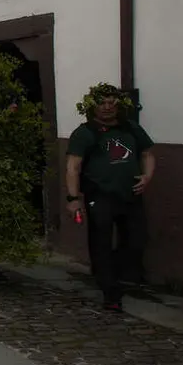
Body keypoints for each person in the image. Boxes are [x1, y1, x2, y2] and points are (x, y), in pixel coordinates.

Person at [65, 83, 155, 312]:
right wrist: (72, 198)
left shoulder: (131, 129)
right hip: (100, 196)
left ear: (119, 106)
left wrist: (147, 176)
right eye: (102, 103)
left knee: (137, 240)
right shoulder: (85, 133)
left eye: (111, 103)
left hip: (130, 195)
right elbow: (73, 166)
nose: (107, 107)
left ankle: (112, 272)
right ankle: (110, 291)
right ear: (92, 106)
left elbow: (147, 153)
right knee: (101, 242)